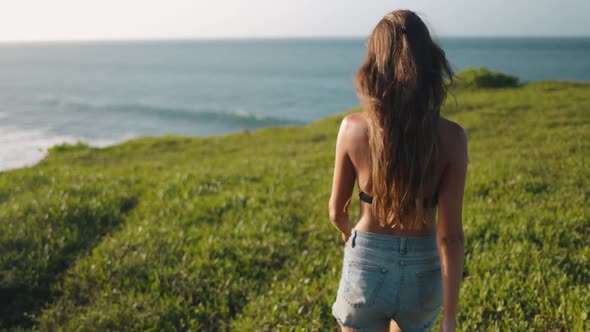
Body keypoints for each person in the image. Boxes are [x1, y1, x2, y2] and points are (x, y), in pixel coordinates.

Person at [328, 10, 468, 332]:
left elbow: (337, 211)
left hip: (367, 257)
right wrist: (449, 318)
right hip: (424, 265)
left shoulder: (352, 129)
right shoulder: (453, 138)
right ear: (430, 63)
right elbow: (450, 237)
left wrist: (353, 239)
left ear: (374, 63)